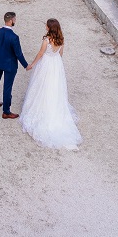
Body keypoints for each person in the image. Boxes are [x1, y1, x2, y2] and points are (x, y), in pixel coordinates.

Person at [19, 18, 82, 150]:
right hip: (56, 64)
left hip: (47, 64)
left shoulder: (46, 40)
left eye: (46, 26)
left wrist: (32, 65)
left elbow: (41, 54)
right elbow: (61, 54)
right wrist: (56, 64)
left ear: (49, 27)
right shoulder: (61, 39)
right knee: (55, 88)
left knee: (42, 87)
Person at [0, 11, 30, 119]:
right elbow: (18, 54)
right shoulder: (14, 37)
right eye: (15, 19)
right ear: (11, 20)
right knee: (7, 87)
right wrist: (26, 65)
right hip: (10, 65)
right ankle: (6, 111)